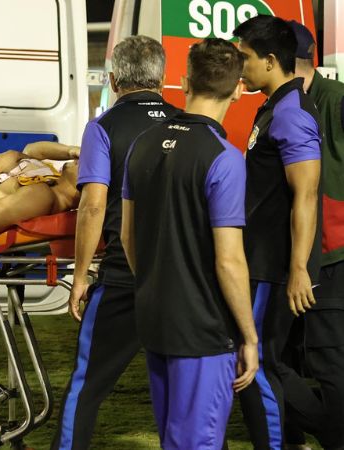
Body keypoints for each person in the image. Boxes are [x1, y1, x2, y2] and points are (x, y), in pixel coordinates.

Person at [120, 37, 259, 449]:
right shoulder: (225, 158)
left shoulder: (143, 143)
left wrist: (155, 285)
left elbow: (128, 236)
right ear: (238, 89)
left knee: (174, 440)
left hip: (154, 318)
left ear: (183, 82)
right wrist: (250, 336)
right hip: (203, 329)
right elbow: (229, 261)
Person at [51, 35, 179, 450]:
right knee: (185, 388)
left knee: (87, 383)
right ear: (162, 78)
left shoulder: (103, 127)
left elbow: (92, 206)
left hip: (124, 274)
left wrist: (80, 275)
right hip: (180, 276)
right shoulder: (188, 124)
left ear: (112, 80)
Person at [232, 16, 323, 450]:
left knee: (257, 362)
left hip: (272, 266)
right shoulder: (274, 107)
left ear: (270, 61)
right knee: (266, 361)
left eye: (245, 58)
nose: (239, 67)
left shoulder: (291, 113)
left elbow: (306, 195)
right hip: (261, 260)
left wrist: (298, 268)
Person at [278, 20, 344, 450]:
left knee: (328, 358)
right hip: (296, 250)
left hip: (331, 251)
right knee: (283, 354)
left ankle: (333, 436)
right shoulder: (286, 102)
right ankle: (294, 436)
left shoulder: (334, 99)